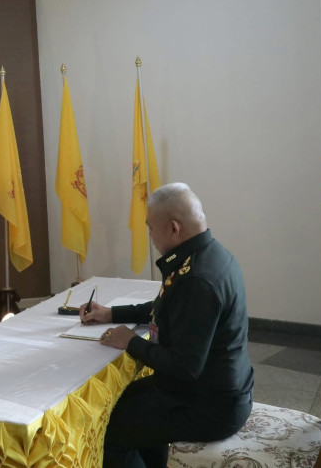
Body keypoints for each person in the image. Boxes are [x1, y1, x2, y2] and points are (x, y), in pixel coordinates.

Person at [80, 182, 253, 468]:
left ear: (173, 228)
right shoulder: (209, 255)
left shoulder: (197, 279)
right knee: (120, 401)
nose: (150, 236)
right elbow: (168, 307)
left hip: (211, 406)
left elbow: (185, 367)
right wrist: (111, 314)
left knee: (108, 429)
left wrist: (131, 342)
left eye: (150, 228)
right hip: (208, 390)